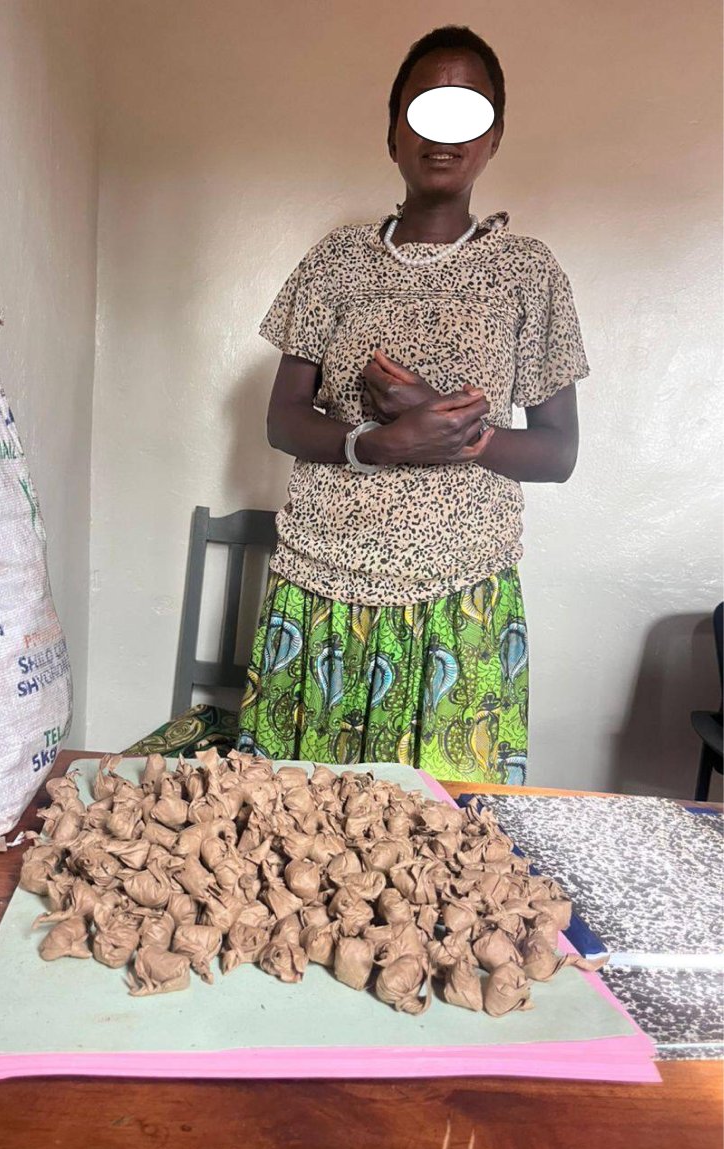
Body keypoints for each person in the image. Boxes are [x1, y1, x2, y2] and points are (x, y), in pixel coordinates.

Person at [236, 24, 590, 782]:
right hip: (320, 587)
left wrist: (452, 431)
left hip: (462, 599)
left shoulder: (530, 273)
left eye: (469, 112)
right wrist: (377, 443)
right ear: (393, 132)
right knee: (299, 827)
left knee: (444, 834)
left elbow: (558, 452)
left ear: (494, 137)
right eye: (425, 109)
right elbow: (282, 417)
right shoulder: (334, 263)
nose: (444, 133)